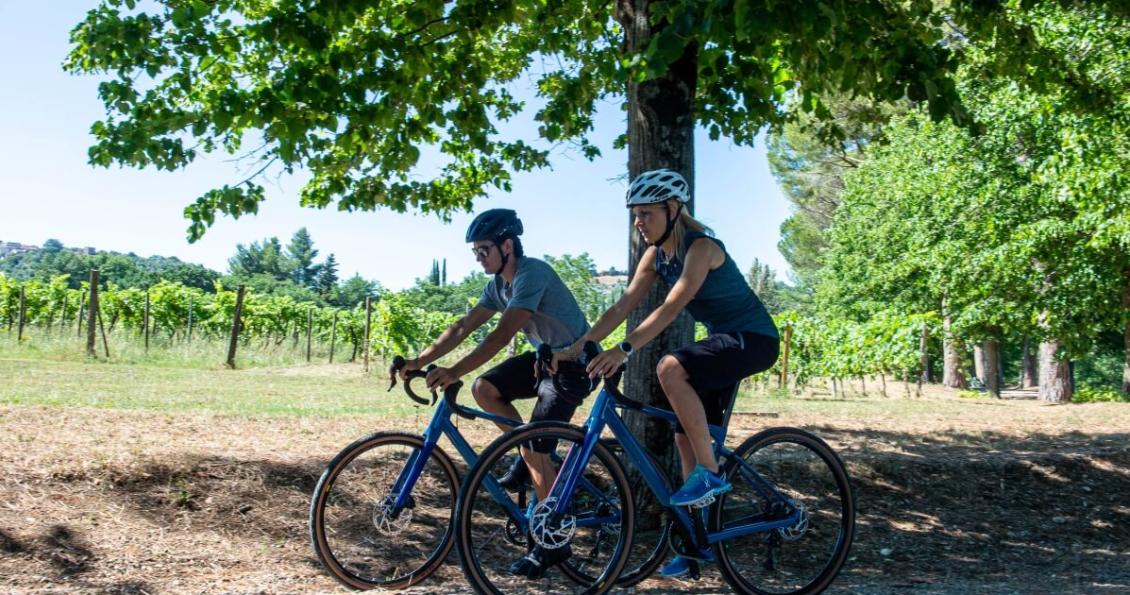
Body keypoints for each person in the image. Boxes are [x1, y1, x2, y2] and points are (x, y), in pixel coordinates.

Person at [559, 168, 780, 578]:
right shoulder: (654, 256)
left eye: (646, 213)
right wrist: (577, 347)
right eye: (635, 215)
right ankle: (698, 543)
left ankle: (711, 475)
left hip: (753, 339)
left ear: (673, 209)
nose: (638, 222)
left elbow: (675, 304)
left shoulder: (702, 247)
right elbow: (622, 306)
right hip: (723, 344)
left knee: (670, 367)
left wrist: (624, 349)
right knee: (685, 437)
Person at [399, 208, 596, 577]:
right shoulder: (498, 286)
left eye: (483, 249)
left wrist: (454, 370)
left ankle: (551, 540)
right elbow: (463, 327)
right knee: (484, 388)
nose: (478, 257)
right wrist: (419, 359)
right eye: (474, 251)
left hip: (574, 366)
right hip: (545, 361)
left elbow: (500, 334)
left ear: (507, 245)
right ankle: (529, 458)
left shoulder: (531, 273)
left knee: (537, 448)